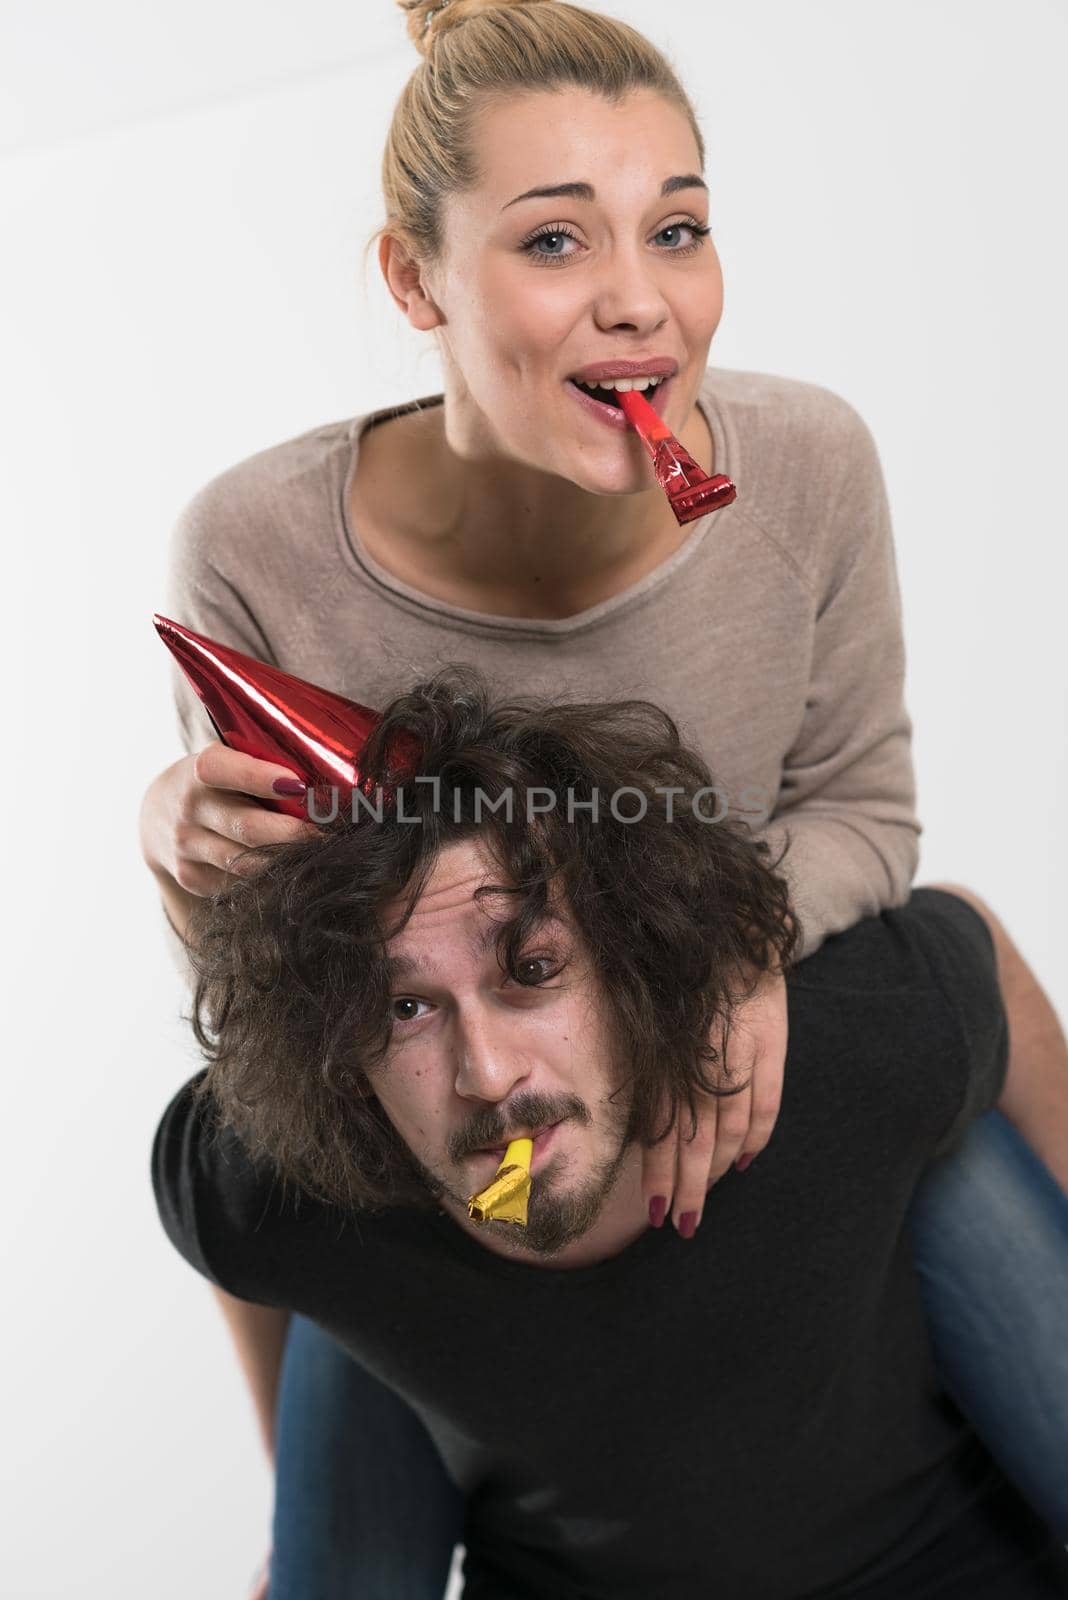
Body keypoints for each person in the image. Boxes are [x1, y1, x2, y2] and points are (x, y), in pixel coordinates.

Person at [137, 0, 1068, 1592]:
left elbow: (867, 814)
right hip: (476, 1154)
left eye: (681, 228)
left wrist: (731, 954)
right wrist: (186, 855)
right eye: (556, 243)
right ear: (414, 280)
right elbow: (293, 1008)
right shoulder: (258, 550)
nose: (644, 302)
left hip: (763, 1085)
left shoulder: (810, 468)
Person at [151, 669, 1068, 1600]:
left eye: (534, 968)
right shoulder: (277, 1185)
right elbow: (237, 1229)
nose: (489, 1074)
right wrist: (294, 1504)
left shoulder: (841, 1056)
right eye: (406, 1007)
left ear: (631, 962)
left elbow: (975, 956)